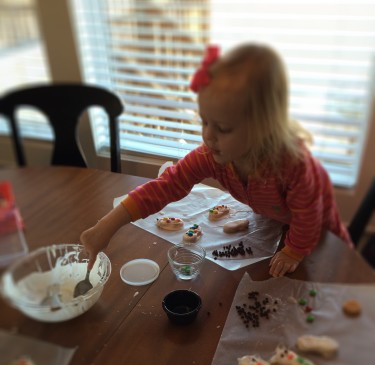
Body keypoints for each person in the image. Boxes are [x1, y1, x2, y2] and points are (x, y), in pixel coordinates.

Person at [80, 43, 352, 277]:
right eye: (204, 122)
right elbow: (166, 186)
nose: (208, 136)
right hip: (277, 221)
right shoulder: (211, 155)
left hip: (318, 235)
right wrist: (105, 228)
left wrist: (293, 252)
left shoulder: (294, 165)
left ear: (264, 127)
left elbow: (308, 215)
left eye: (222, 128)